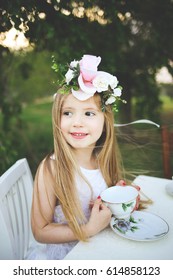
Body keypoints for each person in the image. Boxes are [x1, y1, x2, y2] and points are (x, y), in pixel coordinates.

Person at [30, 54, 137, 260]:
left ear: (105, 121)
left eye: (89, 114)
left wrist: (120, 200)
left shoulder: (101, 160)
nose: (77, 122)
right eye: (68, 113)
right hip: (69, 258)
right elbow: (40, 230)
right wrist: (88, 229)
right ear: (57, 118)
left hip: (98, 250)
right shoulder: (51, 169)